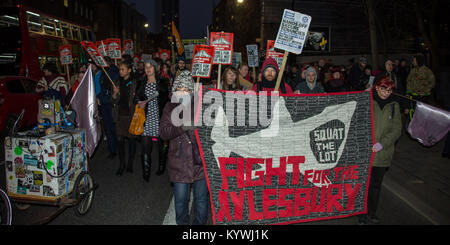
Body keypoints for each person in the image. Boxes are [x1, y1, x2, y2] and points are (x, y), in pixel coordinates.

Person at [159, 70, 209, 225]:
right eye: (179, 88)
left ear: (191, 91)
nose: (182, 92)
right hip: (179, 163)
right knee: (181, 202)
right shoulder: (169, 107)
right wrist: (182, 126)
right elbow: (163, 133)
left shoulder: (202, 106)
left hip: (199, 162)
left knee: (201, 201)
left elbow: (212, 131)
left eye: (186, 89)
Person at [358, 75, 402, 225]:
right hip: (367, 151)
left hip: (383, 153)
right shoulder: (368, 101)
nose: (386, 93)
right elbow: (359, 120)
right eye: (383, 89)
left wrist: (383, 143)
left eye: (389, 90)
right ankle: (362, 214)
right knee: (364, 184)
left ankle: (372, 212)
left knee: (376, 185)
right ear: (377, 87)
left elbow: (397, 128)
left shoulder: (394, 106)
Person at [134, 59, 166, 182]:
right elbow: (136, 96)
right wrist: (139, 102)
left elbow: (166, 97)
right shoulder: (141, 82)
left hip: (159, 117)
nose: (148, 69)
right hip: (146, 118)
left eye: (150, 66)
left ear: (155, 68)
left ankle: (162, 166)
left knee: (161, 146)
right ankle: (146, 172)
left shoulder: (162, 82)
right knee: (145, 146)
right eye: (146, 67)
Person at [114, 62, 139, 176]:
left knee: (132, 140)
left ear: (129, 70)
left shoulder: (134, 82)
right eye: (120, 69)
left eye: (123, 69)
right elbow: (113, 100)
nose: (120, 71)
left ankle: (130, 163)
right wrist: (115, 94)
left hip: (131, 115)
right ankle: (121, 164)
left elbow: (138, 98)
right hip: (120, 115)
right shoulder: (117, 82)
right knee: (120, 140)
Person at [98, 57, 120, 159]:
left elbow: (114, 87)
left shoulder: (114, 72)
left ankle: (116, 148)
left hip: (111, 102)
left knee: (112, 127)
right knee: (107, 127)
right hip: (104, 102)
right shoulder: (103, 72)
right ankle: (112, 148)